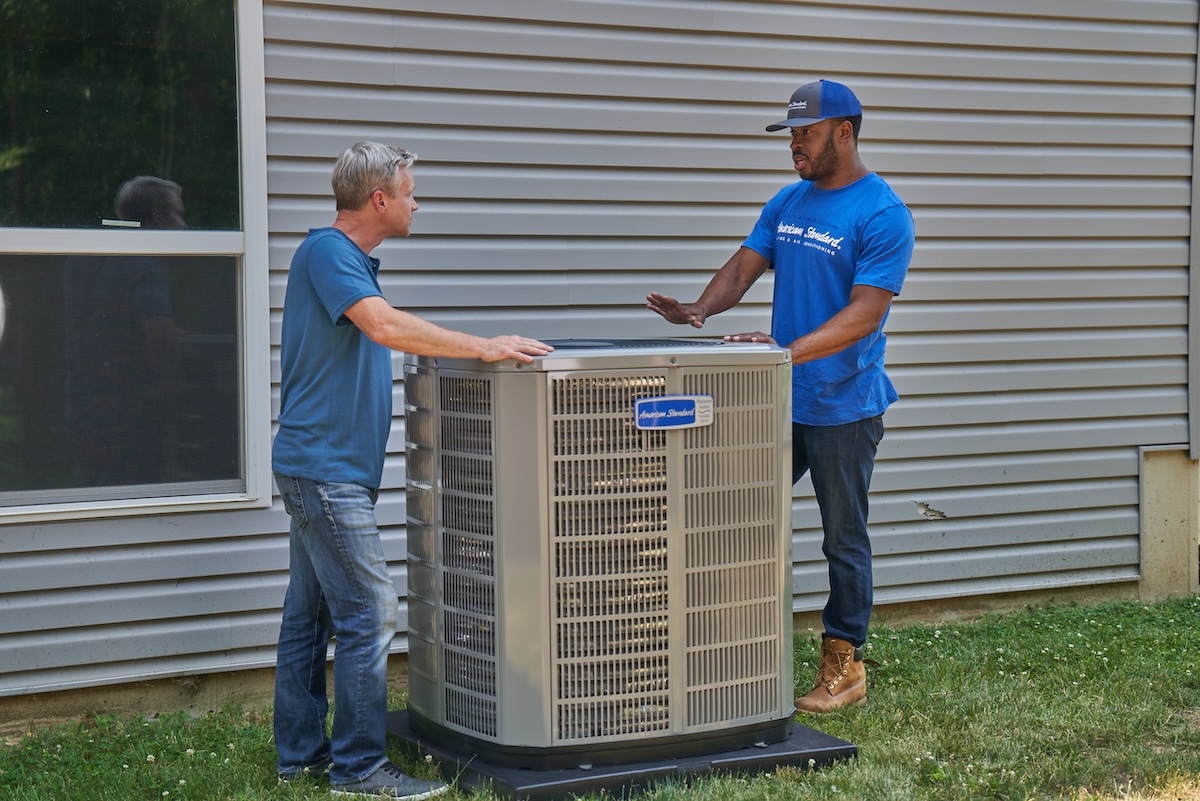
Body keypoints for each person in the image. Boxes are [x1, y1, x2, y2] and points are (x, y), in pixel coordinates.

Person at [271, 141, 553, 798]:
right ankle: (360, 769)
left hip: (322, 467)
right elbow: (383, 326)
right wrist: (485, 345)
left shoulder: (343, 258)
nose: (416, 201)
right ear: (380, 199)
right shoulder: (329, 253)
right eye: (410, 191)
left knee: (309, 616)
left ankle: (300, 758)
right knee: (370, 609)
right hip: (324, 471)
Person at [646, 80, 914, 714]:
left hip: (845, 405)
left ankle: (844, 665)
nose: (793, 144)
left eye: (805, 133)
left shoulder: (882, 213)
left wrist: (786, 352)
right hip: (779, 400)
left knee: (842, 538)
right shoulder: (789, 201)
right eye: (789, 134)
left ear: (843, 133)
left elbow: (863, 317)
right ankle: (716, 647)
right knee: (726, 511)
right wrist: (699, 312)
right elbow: (744, 266)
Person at [64, 176, 186, 486]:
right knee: (136, 497)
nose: (184, 227)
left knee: (98, 497)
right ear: (157, 218)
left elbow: (107, 326)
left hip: (84, 403)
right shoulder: (142, 266)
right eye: (179, 215)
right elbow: (158, 336)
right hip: (127, 411)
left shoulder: (95, 261)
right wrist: (170, 398)